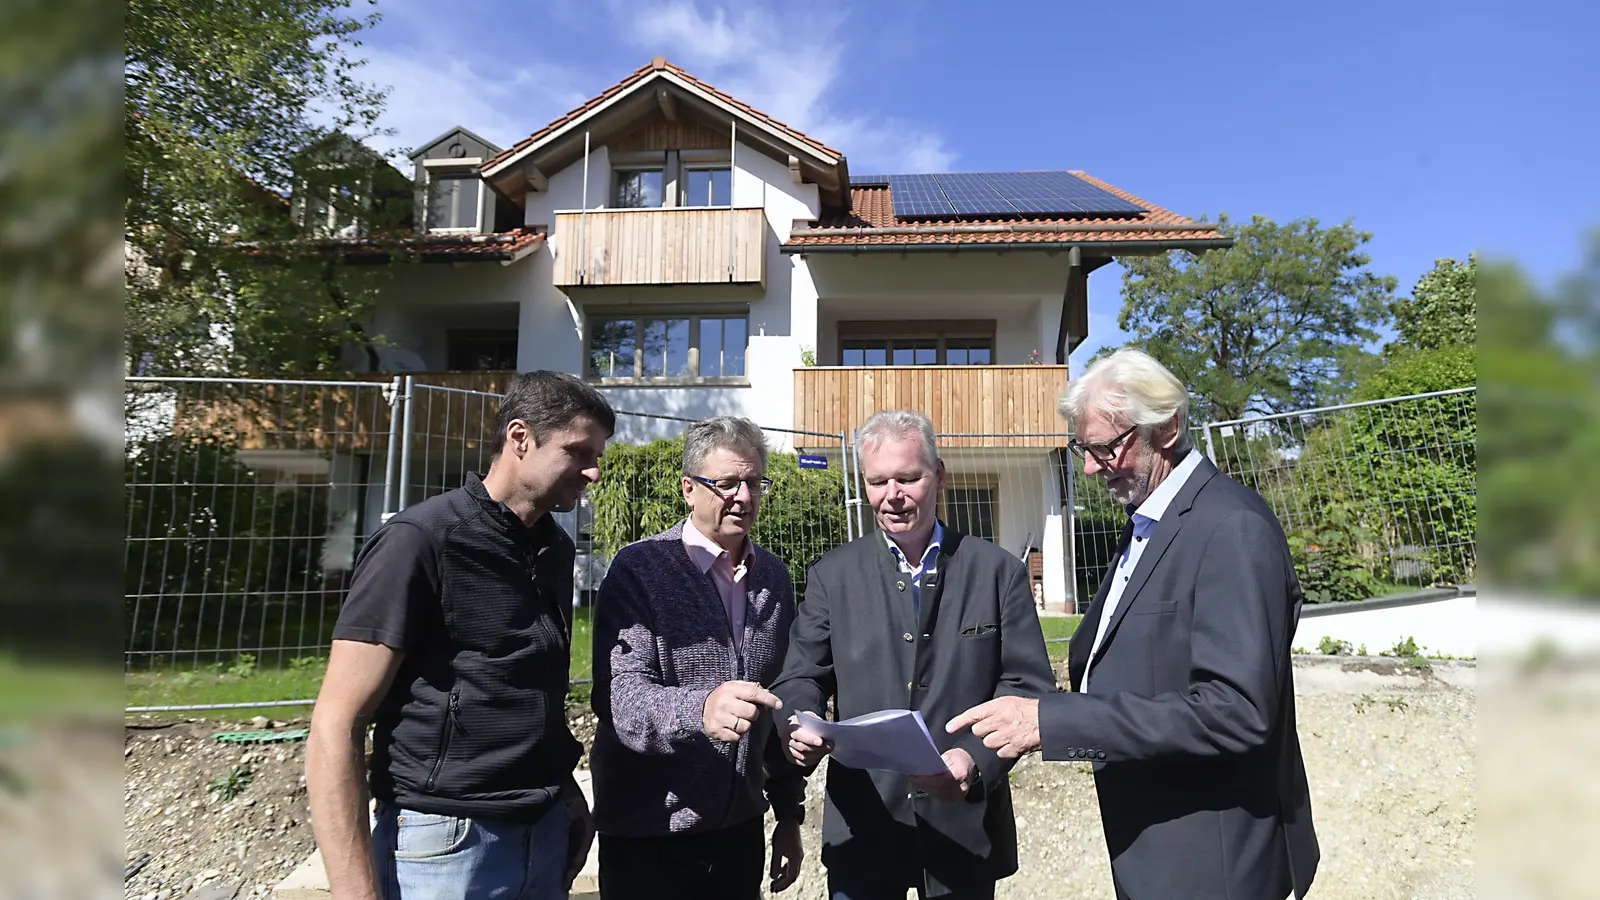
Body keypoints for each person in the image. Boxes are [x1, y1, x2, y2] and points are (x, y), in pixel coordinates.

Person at [946, 348, 1320, 900]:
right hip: (1159, 843)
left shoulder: (1230, 527)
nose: (1093, 467)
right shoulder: (1151, 518)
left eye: (1106, 447)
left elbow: (1237, 712)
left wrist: (1056, 722)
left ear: (1166, 427)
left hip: (1211, 857)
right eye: (1084, 449)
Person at [306, 371, 615, 900]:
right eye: (577, 451)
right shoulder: (420, 541)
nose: (593, 471)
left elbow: (523, 687)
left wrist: (564, 792)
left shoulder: (554, 551)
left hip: (542, 830)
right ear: (519, 438)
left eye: (597, 454)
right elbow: (334, 726)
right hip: (447, 845)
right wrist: (355, 893)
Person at [773, 409, 1054, 900]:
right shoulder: (831, 576)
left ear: (939, 475)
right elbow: (802, 675)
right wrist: (800, 722)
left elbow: (1025, 686)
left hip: (963, 825)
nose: (892, 495)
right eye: (878, 481)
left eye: (908, 478)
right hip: (865, 822)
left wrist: (975, 757)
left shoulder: (997, 573)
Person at [589, 416, 805, 900]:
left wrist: (788, 814)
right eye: (727, 484)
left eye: (754, 483)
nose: (744, 497)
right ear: (688, 488)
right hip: (650, 832)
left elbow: (777, 699)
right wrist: (701, 709)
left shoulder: (773, 576)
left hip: (738, 831)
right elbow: (619, 697)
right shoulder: (640, 569)